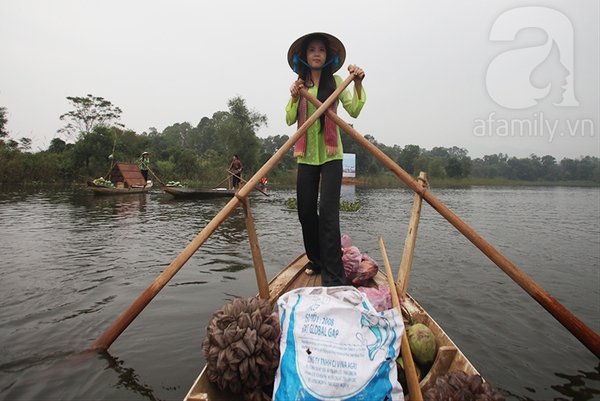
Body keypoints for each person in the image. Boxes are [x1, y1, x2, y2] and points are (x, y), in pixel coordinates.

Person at [285, 32, 366, 286]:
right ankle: (317, 259)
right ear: (305, 57)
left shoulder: (338, 81)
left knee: (329, 214)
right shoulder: (300, 85)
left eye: (321, 50)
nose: (317, 53)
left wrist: (358, 83)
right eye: (312, 50)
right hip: (306, 157)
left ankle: (333, 274)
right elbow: (289, 119)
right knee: (306, 212)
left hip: (332, 156)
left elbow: (353, 109)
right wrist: (294, 96)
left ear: (327, 56)